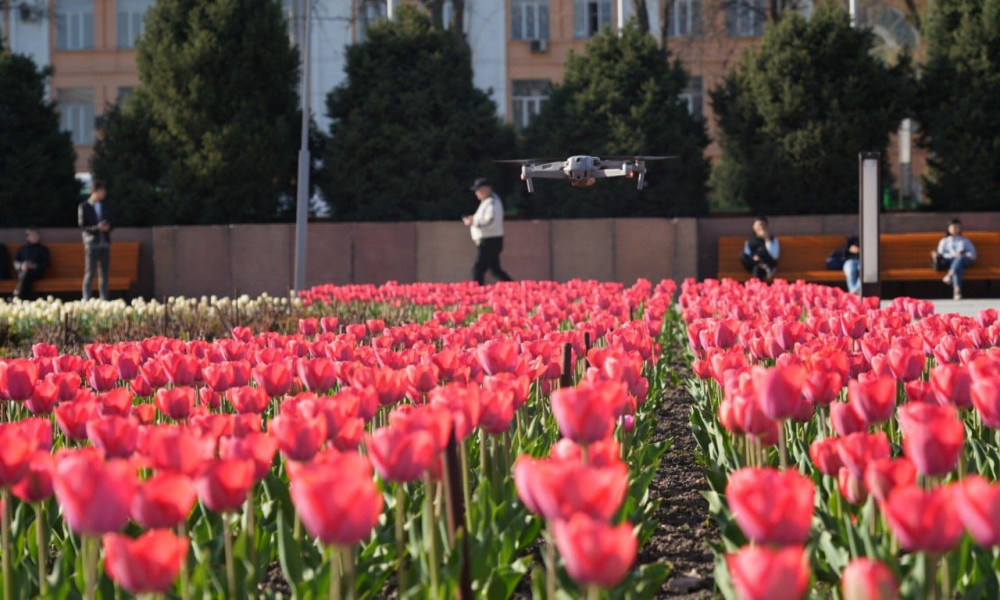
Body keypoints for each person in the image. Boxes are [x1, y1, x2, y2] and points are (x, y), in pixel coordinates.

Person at [462, 178, 513, 286]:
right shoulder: (489, 201)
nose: (476, 193)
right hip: (490, 240)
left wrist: (473, 222)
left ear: (486, 189)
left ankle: (477, 292)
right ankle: (516, 288)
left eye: (478, 190)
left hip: (489, 241)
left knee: (478, 269)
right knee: (495, 270)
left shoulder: (492, 202)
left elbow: (490, 221)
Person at [79, 178, 113, 301]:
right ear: (94, 191)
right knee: (90, 272)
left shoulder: (105, 206)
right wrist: (97, 228)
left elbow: (112, 222)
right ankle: (86, 298)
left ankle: (104, 298)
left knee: (104, 274)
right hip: (92, 244)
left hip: (104, 243)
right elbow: (83, 226)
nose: (103, 194)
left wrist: (107, 227)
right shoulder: (84, 206)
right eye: (101, 191)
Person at [932, 218, 976, 300]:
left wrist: (963, 254)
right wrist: (952, 255)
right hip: (949, 262)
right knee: (957, 268)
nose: (955, 229)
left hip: (964, 261)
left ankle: (949, 275)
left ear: (960, 229)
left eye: (957, 227)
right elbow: (941, 254)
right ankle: (957, 291)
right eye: (953, 227)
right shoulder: (944, 241)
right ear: (948, 229)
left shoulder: (964, 241)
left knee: (959, 259)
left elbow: (973, 254)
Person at [12, 228, 50, 300]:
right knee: (26, 273)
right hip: (23, 272)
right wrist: (21, 266)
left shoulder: (43, 249)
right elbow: (16, 262)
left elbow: (45, 264)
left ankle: (18, 292)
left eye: (35, 235)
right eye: (32, 235)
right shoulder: (22, 249)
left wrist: (34, 266)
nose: (34, 237)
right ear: (28, 237)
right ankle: (29, 298)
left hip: (37, 272)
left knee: (26, 273)